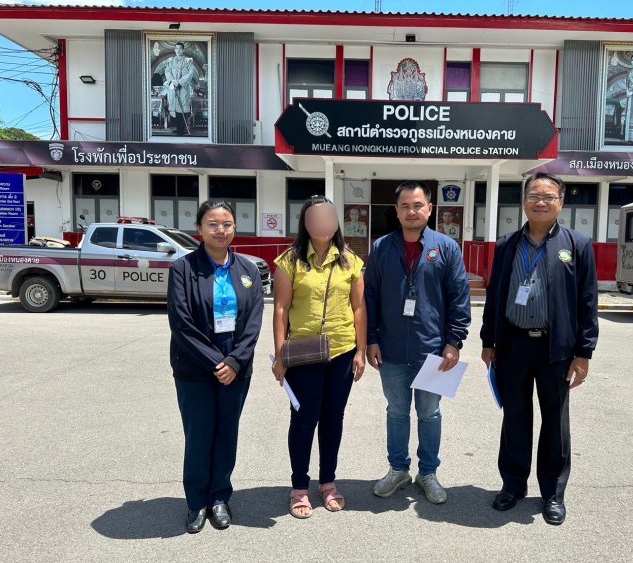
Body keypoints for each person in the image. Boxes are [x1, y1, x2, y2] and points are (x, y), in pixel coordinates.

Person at [480, 172, 599, 526]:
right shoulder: (507, 245)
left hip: (556, 349)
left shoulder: (577, 244)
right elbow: (494, 295)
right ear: (523, 202)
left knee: (555, 423)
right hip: (513, 344)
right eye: (534, 196)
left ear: (561, 202)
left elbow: (588, 301)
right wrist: (488, 341)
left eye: (548, 196)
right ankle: (513, 485)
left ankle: (553, 493)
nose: (540, 202)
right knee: (515, 418)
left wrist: (584, 352)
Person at [364, 181, 471, 504]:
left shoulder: (446, 247)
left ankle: (428, 473)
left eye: (418, 205)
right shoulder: (381, 247)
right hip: (391, 349)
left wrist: (453, 342)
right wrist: (371, 339)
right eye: (405, 206)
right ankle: (398, 469)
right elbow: (370, 297)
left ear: (430, 209)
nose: (412, 211)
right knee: (396, 412)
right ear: (396, 212)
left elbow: (459, 298)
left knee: (430, 414)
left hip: (433, 349)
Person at [167, 200, 265, 533]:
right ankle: (196, 502)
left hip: (236, 366)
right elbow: (181, 324)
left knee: (226, 433)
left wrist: (235, 361)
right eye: (212, 224)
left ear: (234, 227)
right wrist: (216, 363)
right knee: (199, 435)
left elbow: (253, 321)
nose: (220, 230)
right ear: (200, 229)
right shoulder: (183, 269)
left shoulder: (248, 270)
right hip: (195, 367)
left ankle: (220, 497)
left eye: (226, 224)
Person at [272, 195, 366, 519]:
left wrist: (361, 351)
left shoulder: (351, 261)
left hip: (342, 351)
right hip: (303, 354)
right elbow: (281, 310)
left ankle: (328, 482)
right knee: (303, 420)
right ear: (306, 223)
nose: (323, 224)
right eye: (315, 218)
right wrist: (281, 355)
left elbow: (359, 308)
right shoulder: (290, 261)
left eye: (328, 217)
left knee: (332, 419)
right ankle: (299, 487)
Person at [164, 42, 196, 136]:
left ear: (183, 50)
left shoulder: (187, 61)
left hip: (183, 88)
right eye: (176, 48)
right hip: (173, 87)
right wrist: (173, 81)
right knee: (175, 108)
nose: (178, 50)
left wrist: (180, 82)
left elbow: (190, 74)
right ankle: (178, 128)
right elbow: (167, 71)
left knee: (182, 107)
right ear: (174, 50)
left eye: (180, 48)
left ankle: (182, 129)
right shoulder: (170, 61)